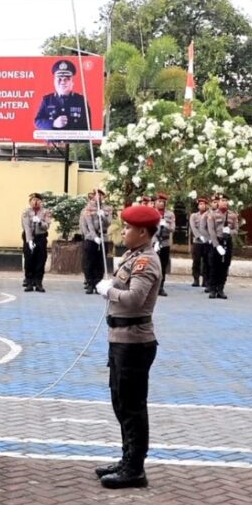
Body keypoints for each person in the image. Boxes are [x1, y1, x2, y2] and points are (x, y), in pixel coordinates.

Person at [93, 204, 162, 489]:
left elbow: (134, 299)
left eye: (128, 228)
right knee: (120, 401)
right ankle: (127, 458)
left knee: (132, 406)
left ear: (143, 232)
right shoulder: (132, 257)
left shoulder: (147, 261)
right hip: (121, 339)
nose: (124, 231)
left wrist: (108, 290)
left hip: (134, 342)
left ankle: (135, 468)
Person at [33, 59, 91, 131]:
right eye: (59, 79)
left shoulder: (81, 100)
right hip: (53, 142)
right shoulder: (47, 100)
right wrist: (53, 123)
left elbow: (88, 127)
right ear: (54, 82)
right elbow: (38, 121)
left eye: (66, 79)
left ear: (72, 82)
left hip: (74, 142)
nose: (63, 82)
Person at [206, 193, 238, 299]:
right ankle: (212, 289)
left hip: (227, 242)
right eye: (221, 200)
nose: (224, 202)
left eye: (225, 200)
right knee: (214, 266)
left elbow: (236, 230)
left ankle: (221, 289)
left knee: (224, 267)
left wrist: (230, 231)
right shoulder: (213, 215)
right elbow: (211, 231)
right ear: (218, 202)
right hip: (217, 242)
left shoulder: (233, 215)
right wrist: (217, 245)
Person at [80, 189, 112, 294]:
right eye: (97, 195)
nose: (99, 197)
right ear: (93, 196)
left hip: (104, 237)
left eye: (102, 196)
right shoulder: (87, 209)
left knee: (100, 262)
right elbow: (88, 225)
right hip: (91, 238)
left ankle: (98, 283)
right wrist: (94, 237)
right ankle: (90, 283)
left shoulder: (107, 208)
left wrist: (102, 215)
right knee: (89, 262)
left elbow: (108, 223)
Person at [21, 193, 52, 293]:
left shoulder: (46, 212)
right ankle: (29, 282)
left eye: (37, 200)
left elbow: (47, 226)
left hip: (41, 238)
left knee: (40, 261)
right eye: (33, 200)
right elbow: (26, 227)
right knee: (29, 260)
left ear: (41, 202)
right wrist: (29, 241)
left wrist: (39, 222)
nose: (35, 202)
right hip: (29, 237)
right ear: (30, 202)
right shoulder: (26, 212)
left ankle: (38, 283)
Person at [154, 193, 175, 297]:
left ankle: (161, 286)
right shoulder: (151, 212)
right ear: (155, 202)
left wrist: (166, 225)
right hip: (154, 242)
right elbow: (148, 228)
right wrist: (155, 241)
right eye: (159, 201)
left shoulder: (170, 214)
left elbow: (172, 228)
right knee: (153, 265)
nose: (161, 203)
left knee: (163, 265)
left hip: (165, 242)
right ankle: (152, 287)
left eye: (163, 202)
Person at [188, 196, 210, 288]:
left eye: (203, 204)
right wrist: (199, 236)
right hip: (197, 241)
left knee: (206, 261)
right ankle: (196, 279)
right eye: (200, 204)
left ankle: (205, 280)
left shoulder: (209, 215)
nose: (201, 205)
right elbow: (193, 227)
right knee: (196, 261)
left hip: (207, 242)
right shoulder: (194, 216)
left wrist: (207, 238)